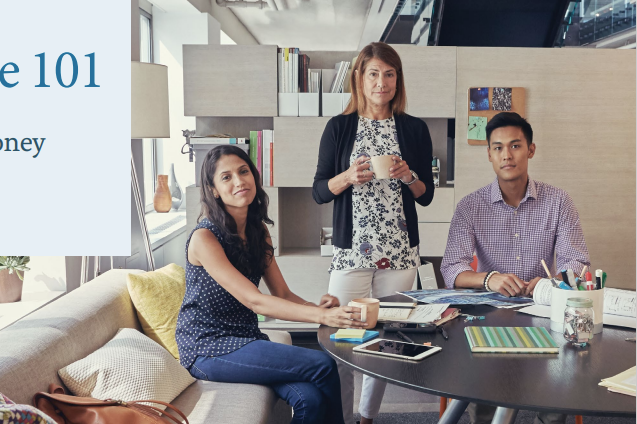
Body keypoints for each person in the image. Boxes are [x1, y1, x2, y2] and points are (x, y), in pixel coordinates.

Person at [176, 145, 367, 424]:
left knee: (309, 400)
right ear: (214, 190)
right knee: (322, 364)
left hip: (246, 338)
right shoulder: (205, 238)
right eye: (226, 177)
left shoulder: (258, 231)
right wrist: (321, 317)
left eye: (244, 172)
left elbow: (282, 294)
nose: (239, 181)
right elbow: (255, 300)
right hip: (208, 348)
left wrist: (317, 307)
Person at [312, 42, 435, 424]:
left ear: (398, 80)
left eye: (389, 74)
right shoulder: (340, 126)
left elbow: (426, 195)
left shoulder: (414, 128)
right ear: (359, 79)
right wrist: (347, 177)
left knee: (386, 342)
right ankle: (341, 416)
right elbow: (318, 190)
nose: (381, 83)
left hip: (399, 253)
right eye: (373, 74)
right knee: (342, 337)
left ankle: (366, 417)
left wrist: (408, 175)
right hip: (351, 252)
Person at [441, 112, 590, 424]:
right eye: (497, 148)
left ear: (530, 150)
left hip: (542, 313)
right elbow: (452, 268)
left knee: (557, 393)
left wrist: (550, 284)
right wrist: (490, 279)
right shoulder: (470, 206)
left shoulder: (559, 201)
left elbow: (576, 262)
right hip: (489, 316)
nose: (506, 155)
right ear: (489, 154)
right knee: (483, 402)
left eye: (515, 146)